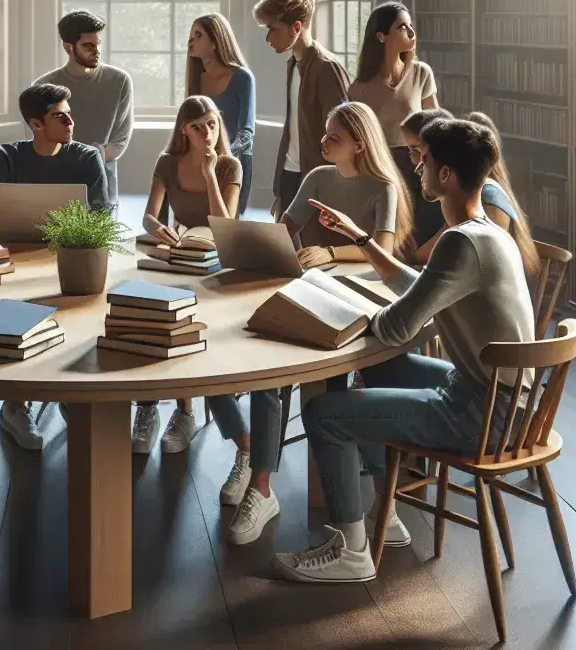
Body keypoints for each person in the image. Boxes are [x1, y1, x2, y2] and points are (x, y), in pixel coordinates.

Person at [271, 117, 536, 583]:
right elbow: (425, 289)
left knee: (324, 413)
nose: (416, 168)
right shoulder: (487, 233)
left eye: (424, 159)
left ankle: (352, 551)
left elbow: (396, 327)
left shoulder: (458, 242)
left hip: (482, 414)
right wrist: (362, 240)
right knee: (385, 367)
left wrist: (342, 307)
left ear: (447, 174)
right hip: (506, 401)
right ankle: (384, 512)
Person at [225, 101, 414, 544]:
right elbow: (285, 229)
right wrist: (258, 243)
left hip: (360, 300)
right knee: (268, 372)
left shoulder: (383, 187)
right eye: (326, 134)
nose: (323, 142)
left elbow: (382, 250)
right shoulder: (316, 178)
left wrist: (331, 251)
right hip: (312, 293)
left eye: (333, 137)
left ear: (359, 143)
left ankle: (379, 502)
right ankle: (262, 488)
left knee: (334, 387)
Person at [0, 83, 109, 451]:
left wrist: (48, 226)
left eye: (69, 113)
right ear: (35, 123)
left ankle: (71, 396)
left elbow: (102, 221)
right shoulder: (5, 156)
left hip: (69, 258)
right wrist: (46, 221)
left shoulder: (86, 158)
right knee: (8, 314)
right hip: (14, 259)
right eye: (59, 116)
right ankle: (14, 406)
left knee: (77, 316)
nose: (69, 121)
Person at [131, 96, 243, 457]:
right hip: (179, 249)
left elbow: (224, 224)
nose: (207, 132)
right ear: (184, 130)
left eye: (212, 124)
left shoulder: (229, 166)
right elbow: (149, 215)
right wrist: (157, 227)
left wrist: (210, 172)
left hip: (216, 254)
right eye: (198, 127)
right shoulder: (168, 162)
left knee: (188, 322)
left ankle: (186, 413)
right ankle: (147, 408)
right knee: (151, 313)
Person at [345, 1, 442, 247]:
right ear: (381, 36)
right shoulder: (359, 89)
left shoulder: (421, 73)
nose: (411, 32)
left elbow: (437, 124)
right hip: (382, 168)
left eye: (411, 26)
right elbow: (359, 140)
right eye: (402, 27)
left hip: (419, 164)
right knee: (391, 237)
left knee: (422, 233)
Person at [404, 109, 541, 282]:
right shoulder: (472, 195)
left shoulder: (484, 200)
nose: (419, 165)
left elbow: (434, 255)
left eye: (425, 156)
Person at [253, 0, 350, 214]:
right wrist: (280, 190)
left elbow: (343, 135)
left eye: (273, 29)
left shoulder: (327, 68)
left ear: (296, 27)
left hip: (318, 178)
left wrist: (334, 190)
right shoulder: (293, 63)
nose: (267, 38)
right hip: (291, 173)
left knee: (311, 249)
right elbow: (293, 127)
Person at [35, 10, 132, 213]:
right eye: (88, 46)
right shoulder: (44, 86)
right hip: (56, 187)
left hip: (103, 190)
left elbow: (120, 140)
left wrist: (92, 160)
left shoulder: (119, 81)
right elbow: (38, 143)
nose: (96, 50)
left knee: (103, 245)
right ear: (68, 47)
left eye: (97, 44)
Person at [184, 13, 256, 215]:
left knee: (227, 229)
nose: (190, 41)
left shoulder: (242, 77)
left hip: (234, 162)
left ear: (215, 42)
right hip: (201, 161)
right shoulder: (196, 78)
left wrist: (223, 157)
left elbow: (247, 132)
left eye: (198, 35)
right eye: (190, 35)